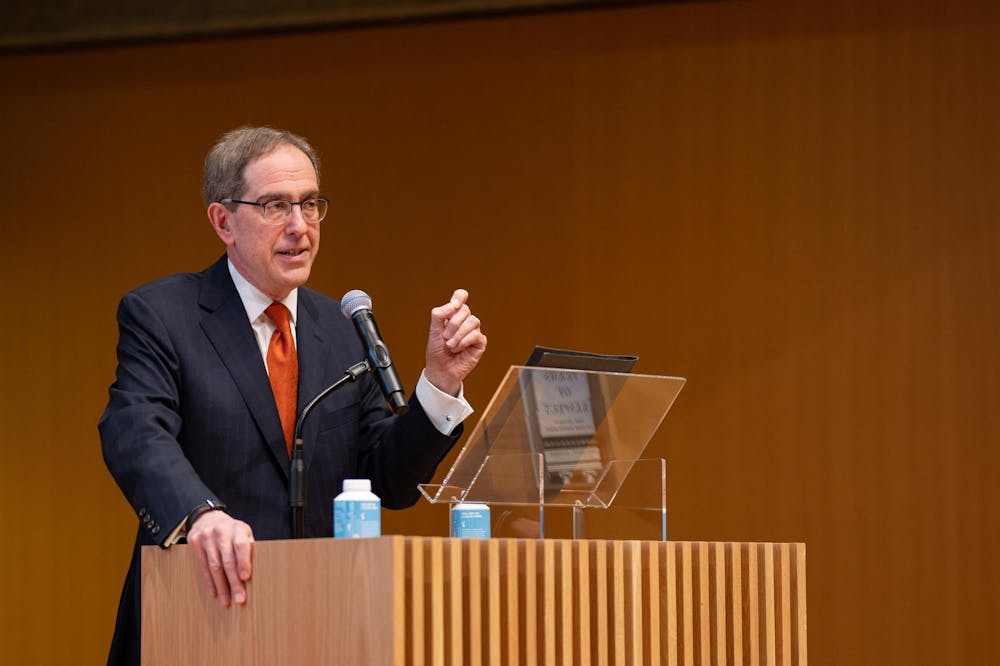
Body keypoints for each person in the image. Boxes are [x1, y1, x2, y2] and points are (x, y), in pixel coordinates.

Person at [99, 126, 487, 665]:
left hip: (322, 625)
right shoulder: (163, 315)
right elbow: (135, 430)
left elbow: (388, 483)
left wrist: (440, 383)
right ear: (223, 221)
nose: (300, 227)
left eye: (310, 204)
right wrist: (201, 515)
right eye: (276, 206)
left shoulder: (342, 326)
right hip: (198, 618)